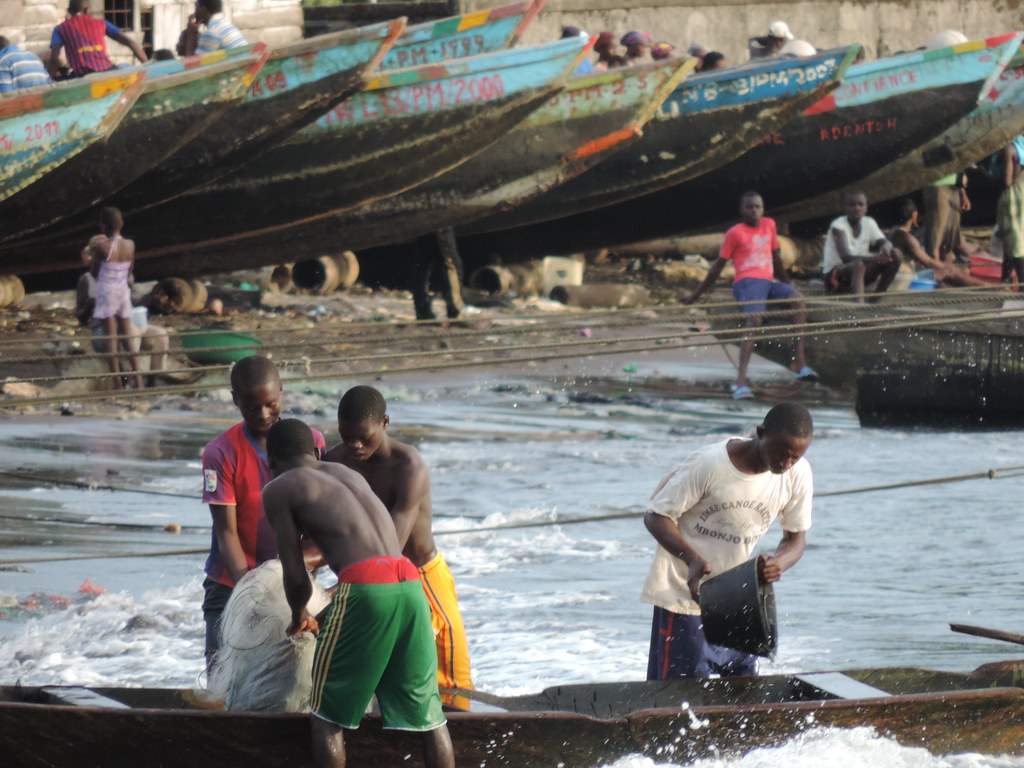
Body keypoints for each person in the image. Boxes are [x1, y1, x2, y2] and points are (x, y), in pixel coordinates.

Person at [263, 418, 455, 768]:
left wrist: (299, 614)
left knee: (326, 715)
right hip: (410, 582)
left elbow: (294, 573)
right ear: (316, 451)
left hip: (366, 589)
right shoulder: (346, 473)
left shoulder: (279, 488)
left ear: (270, 461)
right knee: (430, 717)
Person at [323, 386, 473, 710]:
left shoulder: (408, 465)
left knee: (452, 683)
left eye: (363, 437)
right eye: (347, 437)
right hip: (363, 578)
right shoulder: (333, 462)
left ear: (385, 423)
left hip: (419, 575)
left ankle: (461, 729)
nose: (355, 445)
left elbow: (392, 543)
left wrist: (338, 590)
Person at [641, 402, 813, 679]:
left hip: (738, 598)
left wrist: (779, 563)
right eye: (780, 454)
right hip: (684, 595)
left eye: (795, 457)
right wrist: (691, 559)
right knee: (680, 695)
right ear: (761, 433)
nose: (786, 464)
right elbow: (656, 517)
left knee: (744, 693)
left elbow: (795, 540)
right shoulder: (710, 464)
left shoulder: (798, 473)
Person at [200, 354, 327, 667]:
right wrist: (250, 593)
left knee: (297, 670)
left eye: (271, 404)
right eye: (251, 407)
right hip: (232, 581)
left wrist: (304, 584)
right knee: (221, 669)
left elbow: (318, 522)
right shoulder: (221, 452)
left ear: (281, 392)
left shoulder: (310, 442)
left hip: (293, 581)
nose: (264, 414)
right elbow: (227, 532)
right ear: (235, 400)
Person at [682, 191, 817, 400]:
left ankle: (799, 363)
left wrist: (787, 283)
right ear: (741, 210)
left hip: (768, 282)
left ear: (763, 209)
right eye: (749, 207)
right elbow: (717, 267)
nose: (754, 211)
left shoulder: (769, 225)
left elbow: (775, 258)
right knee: (753, 321)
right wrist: (695, 295)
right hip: (747, 282)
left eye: (757, 207)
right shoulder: (734, 233)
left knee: (798, 302)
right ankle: (741, 383)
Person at [75, 259, 170, 387]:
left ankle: (152, 381)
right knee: (131, 331)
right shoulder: (87, 280)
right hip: (102, 331)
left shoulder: (122, 275)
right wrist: (89, 306)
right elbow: (81, 318)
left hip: (130, 325)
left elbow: (130, 300)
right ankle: (128, 380)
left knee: (160, 334)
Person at [84, 207, 144, 390]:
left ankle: (118, 385)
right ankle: (139, 383)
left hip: (107, 293)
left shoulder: (101, 247)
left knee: (111, 339)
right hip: (123, 292)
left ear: (103, 226)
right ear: (121, 224)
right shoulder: (130, 245)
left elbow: (94, 273)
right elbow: (129, 271)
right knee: (127, 337)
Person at [888, 198, 991, 287]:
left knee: (952, 271)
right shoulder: (907, 238)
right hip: (905, 279)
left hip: (899, 275)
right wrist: (949, 267)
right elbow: (929, 262)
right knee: (950, 272)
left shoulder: (893, 232)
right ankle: (989, 287)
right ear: (914, 216)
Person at [821, 190, 900, 301]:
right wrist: (877, 259)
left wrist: (886, 246)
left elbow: (885, 242)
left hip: (858, 275)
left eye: (860, 204)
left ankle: (876, 298)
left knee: (896, 253)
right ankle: (858, 304)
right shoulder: (838, 226)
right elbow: (845, 257)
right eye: (852, 205)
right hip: (836, 277)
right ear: (844, 208)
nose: (857, 208)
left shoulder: (869, 222)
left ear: (866, 207)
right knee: (858, 265)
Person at [48, 0, 148, 79]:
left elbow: (54, 59)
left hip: (83, 76)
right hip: (107, 70)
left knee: (62, 77)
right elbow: (131, 43)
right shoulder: (101, 23)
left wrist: (49, 81)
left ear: (69, 11)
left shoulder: (60, 29)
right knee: (125, 66)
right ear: (86, 10)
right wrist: (148, 66)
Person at [410, 227, 464, 321]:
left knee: (424, 265)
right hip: (439, 226)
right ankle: (454, 311)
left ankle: (423, 311)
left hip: (427, 225)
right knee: (450, 264)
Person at [996, 135, 1024, 284]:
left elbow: (1007, 181)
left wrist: (985, 176)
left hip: (1014, 194)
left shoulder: (1009, 149)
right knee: (1014, 237)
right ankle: (1005, 278)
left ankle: (1021, 282)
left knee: (1014, 238)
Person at [183, 0, 247, 56]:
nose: (194, 13)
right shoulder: (227, 25)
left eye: (196, 8)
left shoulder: (211, 33)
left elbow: (193, 64)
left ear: (203, 9)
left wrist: (191, 34)